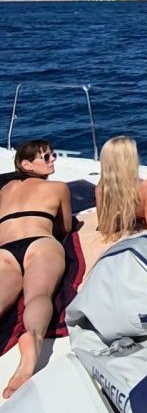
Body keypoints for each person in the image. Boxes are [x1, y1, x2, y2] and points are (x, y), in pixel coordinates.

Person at [0, 140, 72, 399]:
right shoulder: (58, 187)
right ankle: (32, 338)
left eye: (52, 155)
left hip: (5, 252)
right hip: (40, 243)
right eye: (46, 157)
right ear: (26, 164)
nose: (53, 160)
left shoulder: (5, 189)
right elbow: (65, 227)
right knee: (38, 295)